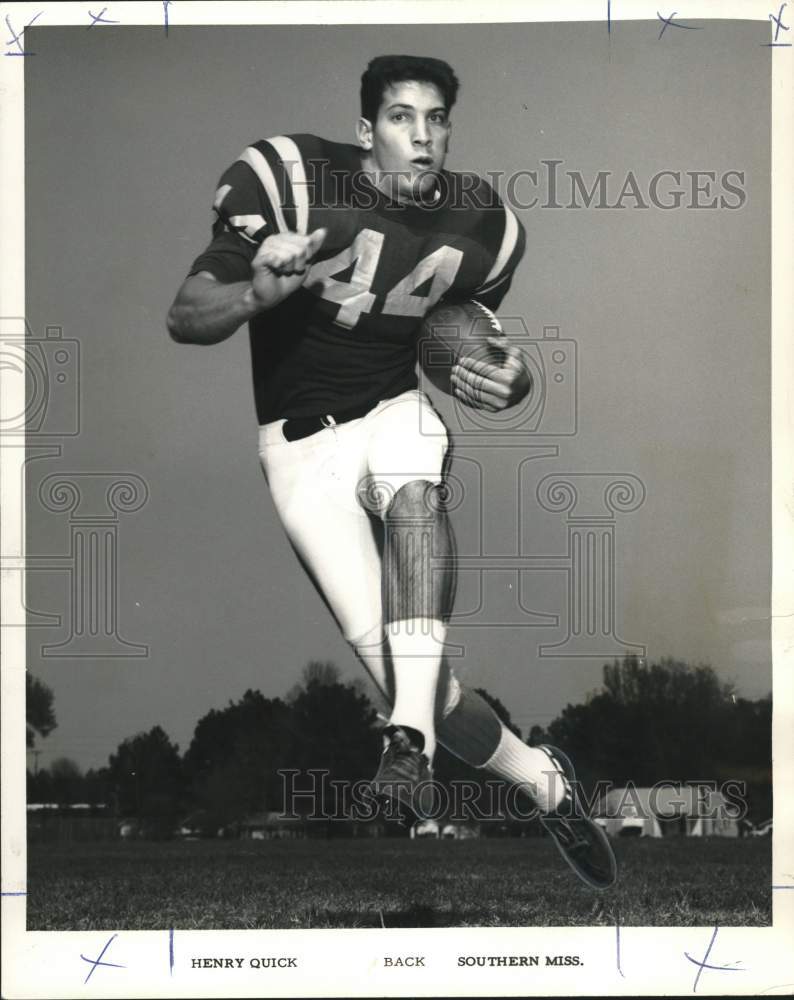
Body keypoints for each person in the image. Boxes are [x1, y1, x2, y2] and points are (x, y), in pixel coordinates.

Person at [167, 54, 616, 890]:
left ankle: (402, 745)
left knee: (415, 478)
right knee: (428, 683)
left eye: (437, 118)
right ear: (367, 128)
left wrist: (516, 380)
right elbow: (185, 315)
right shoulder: (293, 179)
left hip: (389, 411)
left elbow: (466, 343)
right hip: (298, 449)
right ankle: (544, 781)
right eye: (402, 118)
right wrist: (257, 297)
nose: (422, 137)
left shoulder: (486, 223)